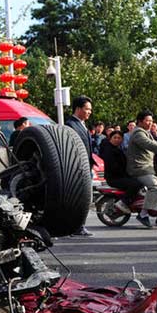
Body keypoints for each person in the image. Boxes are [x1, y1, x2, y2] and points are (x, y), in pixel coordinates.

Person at [126, 110, 157, 228]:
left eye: (152, 121)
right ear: (140, 121)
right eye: (148, 121)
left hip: (146, 168)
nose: (150, 123)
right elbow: (150, 144)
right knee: (155, 187)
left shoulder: (145, 132)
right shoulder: (138, 133)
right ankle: (143, 214)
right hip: (139, 168)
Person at [65, 95, 95, 236]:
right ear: (78, 108)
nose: (89, 112)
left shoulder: (81, 124)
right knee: (82, 199)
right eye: (87, 109)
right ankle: (77, 226)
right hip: (79, 168)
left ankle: (78, 225)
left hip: (86, 167)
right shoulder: (71, 125)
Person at [100, 130, 140, 214]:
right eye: (115, 138)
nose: (117, 140)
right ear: (110, 139)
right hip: (114, 178)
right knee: (136, 184)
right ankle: (123, 202)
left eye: (119, 138)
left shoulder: (117, 149)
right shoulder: (109, 150)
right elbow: (114, 167)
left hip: (120, 176)